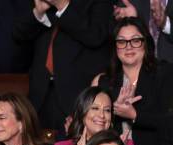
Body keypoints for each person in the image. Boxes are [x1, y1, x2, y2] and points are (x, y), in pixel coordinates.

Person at [93, 17, 173, 145]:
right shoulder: (105, 82)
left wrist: (135, 115)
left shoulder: (165, 73)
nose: (128, 47)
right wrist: (111, 112)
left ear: (146, 43)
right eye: (122, 42)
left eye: (135, 40)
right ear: (115, 47)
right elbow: (95, 129)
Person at [12, 0, 111, 132]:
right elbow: (18, 34)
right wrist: (39, 12)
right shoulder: (44, 2)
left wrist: (63, 6)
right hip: (40, 93)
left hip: (76, 96)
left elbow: (95, 35)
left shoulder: (98, 3)